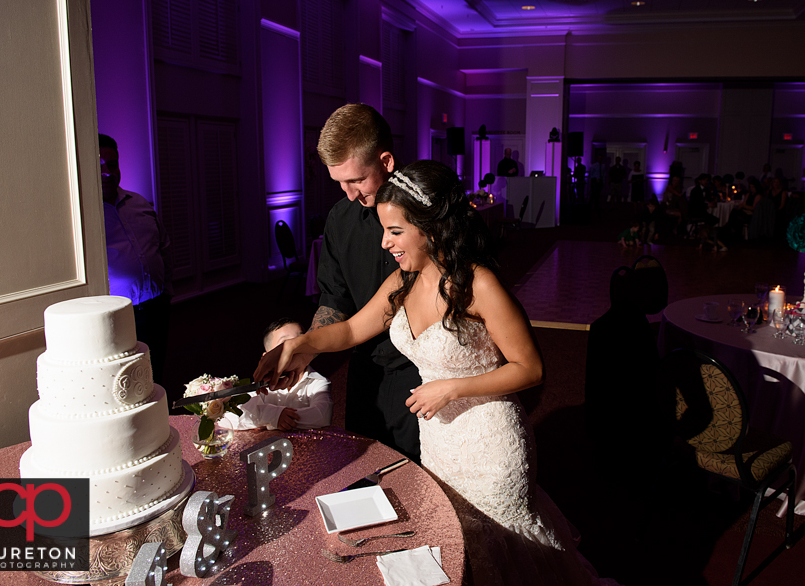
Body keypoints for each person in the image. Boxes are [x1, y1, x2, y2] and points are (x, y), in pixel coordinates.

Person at [255, 162, 613, 586]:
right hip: (439, 441)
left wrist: (451, 389)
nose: (385, 242)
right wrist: (299, 345)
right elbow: (352, 328)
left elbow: (531, 368)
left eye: (395, 231)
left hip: (491, 446)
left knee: (503, 552)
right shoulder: (402, 282)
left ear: (430, 227)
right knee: (458, 545)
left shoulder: (477, 284)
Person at [277, 104, 423, 461]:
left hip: (423, 372)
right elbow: (335, 298)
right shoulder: (340, 219)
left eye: (356, 180)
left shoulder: (427, 208)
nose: (349, 194)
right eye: (339, 182)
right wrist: (306, 348)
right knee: (365, 468)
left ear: (386, 161)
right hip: (366, 368)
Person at [99, 133, 173, 385]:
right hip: (120, 314)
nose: (108, 172)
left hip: (156, 306)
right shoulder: (86, 216)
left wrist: (167, 291)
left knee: (157, 370)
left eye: (112, 164)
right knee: (128, 380)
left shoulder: (138, 202)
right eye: (100, 166)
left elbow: (163, 245)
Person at [223, 318, 331, 431]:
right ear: (267, 358)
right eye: (285, 344)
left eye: (300, 340)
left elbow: (322, 416)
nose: (295, 348)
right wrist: (272, 415)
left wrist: (268, 421)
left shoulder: (318, 382)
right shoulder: (262, 385)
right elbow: (230, 415)